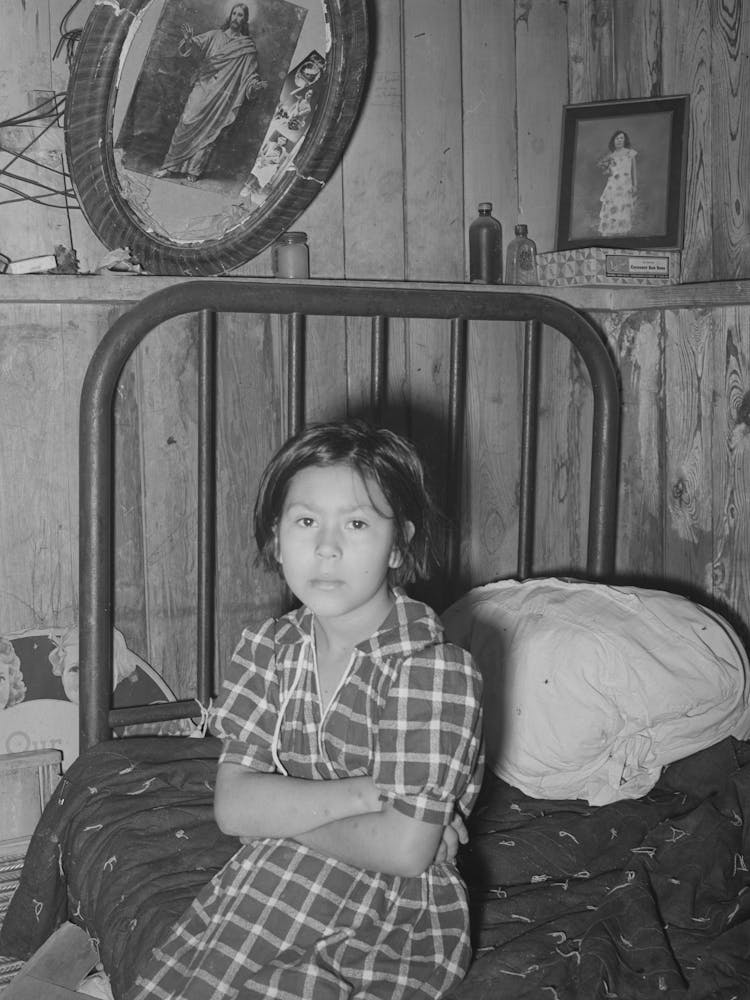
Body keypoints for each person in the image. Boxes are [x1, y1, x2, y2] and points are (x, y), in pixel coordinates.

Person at [125, 420, 484, 1000]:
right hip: (268, 879)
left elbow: (404, 851)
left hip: (390, 905)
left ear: (399, 545)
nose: (327, 547)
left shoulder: (435, 670)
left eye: (359, 523)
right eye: (307, 520)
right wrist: (371, 794)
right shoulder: (267, 650)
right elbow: (234, 807)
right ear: (276, 536)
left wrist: (282, 815)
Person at [153, 3, 267, 183]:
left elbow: (249, 76)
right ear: (229, 16)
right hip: (203, 85)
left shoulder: (247, 48)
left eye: (240, 15)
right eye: (234, 14)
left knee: (210, 130)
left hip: (222, 96)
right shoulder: (215, 35)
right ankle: (169, 166)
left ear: (245, 20)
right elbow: (195, 46)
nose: (236, 18)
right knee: (187, 120)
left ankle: (194, 170)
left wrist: (255, 86)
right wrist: (189, 40)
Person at [597, 128, 638, 236]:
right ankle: (610, 231)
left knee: (623, 208)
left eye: (621, 138)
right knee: (612, 208)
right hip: (613, 186)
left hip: (625, 186)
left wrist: (635, 185)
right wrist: (607, 169)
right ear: (613, 141)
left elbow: (634, 170)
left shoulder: (630, 153)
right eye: (617, 138)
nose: (619, 140)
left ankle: (621, 231)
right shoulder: (611, 156)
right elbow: (609, 172)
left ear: (624, 140)